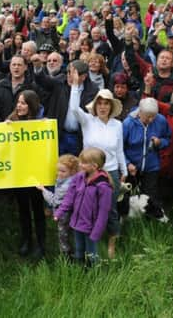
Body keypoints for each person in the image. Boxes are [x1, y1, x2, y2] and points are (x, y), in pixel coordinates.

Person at [70, 82, 127, 259]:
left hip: (110, 172)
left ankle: (112, 242)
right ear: (95, 106)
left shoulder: (117, 125)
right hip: (88, 172)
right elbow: (73, 109)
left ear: (111, 106)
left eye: (106, 103)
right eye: (100, 103)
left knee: (110, 209)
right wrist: (75, 86)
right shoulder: (88, 121)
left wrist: (123, 170)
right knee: (86, 208)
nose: (103, 107)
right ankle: (88, 242)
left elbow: (119, 149)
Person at [54, 148, 113, 266]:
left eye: (83, 163)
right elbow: (69, 197)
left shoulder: (103, 186)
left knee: (91, 254)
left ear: (94, 166)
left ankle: (95, 274)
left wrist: (96, 232)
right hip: (77, 224)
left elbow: (103, 213)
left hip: (91, 228)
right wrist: (59, 212)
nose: (80, 165)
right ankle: (80, 272)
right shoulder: (79, 177)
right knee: (79, 250)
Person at [7, 90, 46, 259]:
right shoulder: (11, 120)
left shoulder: (41, 122)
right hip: (19, 173)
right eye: (18, 102)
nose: (19, 106)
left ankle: (41, 243)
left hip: (36, 173)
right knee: (23, 209)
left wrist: (45, 127)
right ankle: (26, 240)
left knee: (38, 209)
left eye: (23, 103)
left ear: (31, 105)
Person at [123, 98, 171, 213]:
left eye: (153, 116)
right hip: (132, 167)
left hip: (152, 167)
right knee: (129, 198)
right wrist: (127, 163)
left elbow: (167, 139)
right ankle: (129, 223)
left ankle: (150, 224)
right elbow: (119, 147)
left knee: (151, 199)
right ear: (140, 112)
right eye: (147, 116)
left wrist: (160, 142)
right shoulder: (128, 123)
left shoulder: (161, 120)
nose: (151, 119)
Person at [37, 154, 79, 261]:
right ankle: (76, 252)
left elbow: (54, 201)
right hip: (74, 212)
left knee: (63, 234)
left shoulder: (65, 186)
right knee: (73, 233)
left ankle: (66, 256)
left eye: (63, 171)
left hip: (64, 214)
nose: (59, 173)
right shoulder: (73, 180)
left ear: (72, 171)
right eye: (58, 170)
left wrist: (43, 190)